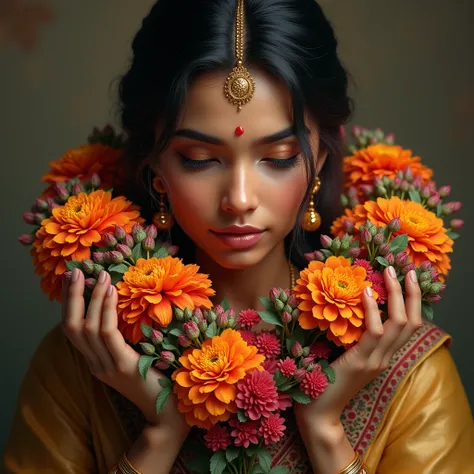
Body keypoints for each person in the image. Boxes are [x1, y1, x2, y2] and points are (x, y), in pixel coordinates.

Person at [4, 0, 474, 473]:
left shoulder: (407, 371)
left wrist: (327, 434)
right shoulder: (87, 361)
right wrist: (161, 434)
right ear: (155, 166)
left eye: (280, 156)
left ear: (321, 161)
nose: (239, 199)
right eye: (199, 158)